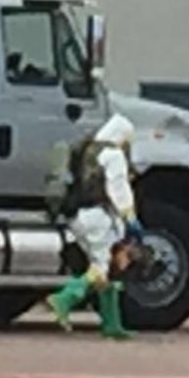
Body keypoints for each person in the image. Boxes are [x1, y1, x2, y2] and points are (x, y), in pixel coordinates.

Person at [46, 114, 141, 341]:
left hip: (79, 216)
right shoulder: (113, 154)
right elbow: (118, 188)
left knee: (108, 271)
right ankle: (64, 298)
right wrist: (130, 216)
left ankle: (112, 325)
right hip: (99, 216)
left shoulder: (87, 151)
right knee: (104, 268)